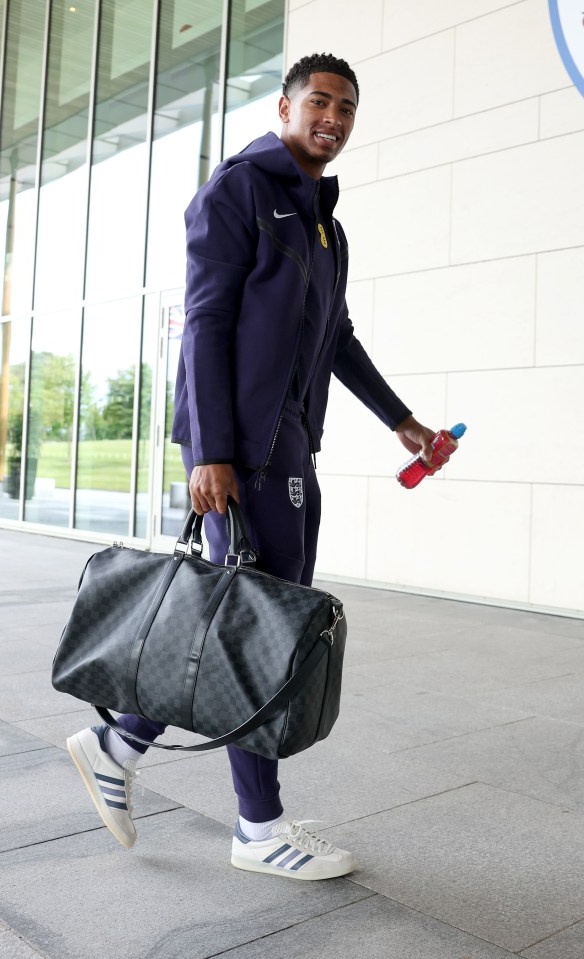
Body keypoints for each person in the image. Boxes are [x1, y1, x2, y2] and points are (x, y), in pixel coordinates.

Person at [67, 52, 440, 881]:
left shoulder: (324, 224)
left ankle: (117, 742)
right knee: (259, 633)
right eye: (319, 101)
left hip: (290, 445)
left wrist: (403, 423)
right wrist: (209, 452)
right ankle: (256, 824)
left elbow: (336, 339)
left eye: (346, 107)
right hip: (244, 451)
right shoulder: (239, 192)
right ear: (283, 106)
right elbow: (202, 324)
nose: (333, 118)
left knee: (246, 620)